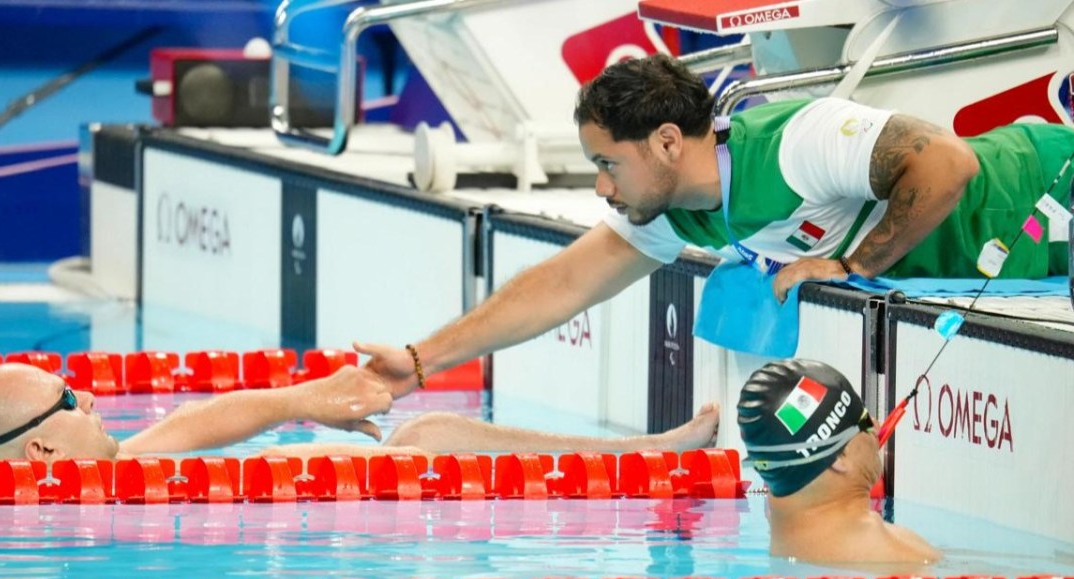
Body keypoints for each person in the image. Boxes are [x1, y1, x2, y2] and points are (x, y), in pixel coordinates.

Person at [356, 54, 1074, 397]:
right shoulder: (679, 206)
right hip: (1000, 249)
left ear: (668, 142)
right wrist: (421, 361)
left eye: (608, 164)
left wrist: (857, 265)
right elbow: (561, 284)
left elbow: (947, 164)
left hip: (1042, 191)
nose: (600, 187)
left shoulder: (797, 143)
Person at [0, 362, 721, 464]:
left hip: (355, 494)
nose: (95, 398)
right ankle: (649, 452)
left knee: (424, 435)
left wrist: (302, 400)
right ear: (43, 447)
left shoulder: (122, 467)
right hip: (378, 507)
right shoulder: (104, 499)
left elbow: (201, 420)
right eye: (73, 400)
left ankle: (648, 448)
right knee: (428, 438)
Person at [736, 358, 939, 566]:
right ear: (840, 456)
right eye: (865, 421)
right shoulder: (901, 561)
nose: (877, 428)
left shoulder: (783, 528)